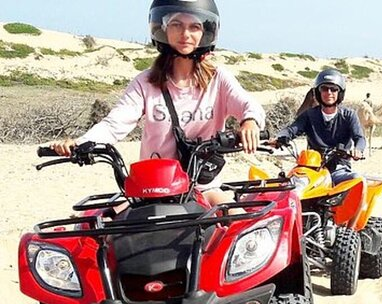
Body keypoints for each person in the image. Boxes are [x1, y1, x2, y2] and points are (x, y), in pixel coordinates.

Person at [49, 0, 265, 208]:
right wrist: (81, 143)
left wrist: (250, 123)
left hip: (203, 187)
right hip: (152, 189)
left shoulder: (218, 80)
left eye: (194, 26)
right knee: (102, 232)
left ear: (205, 32)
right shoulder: (145, 82)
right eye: (176, 24)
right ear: (162, 28)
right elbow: (114, 124)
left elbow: (249, 105)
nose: (185, 34)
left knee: (239, 222)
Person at [270, 68, 366, 185]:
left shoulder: (349, 115)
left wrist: (358, 150)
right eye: (324, 88)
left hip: (338, 167)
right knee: (291, 185)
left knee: (357, 181)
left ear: (340, 93)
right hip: (311, 167)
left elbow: (359, 137)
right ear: (318, 92)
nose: (329, 93)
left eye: (334, 89)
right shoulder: (309, 115)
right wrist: (279, 138)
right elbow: (292, 130)